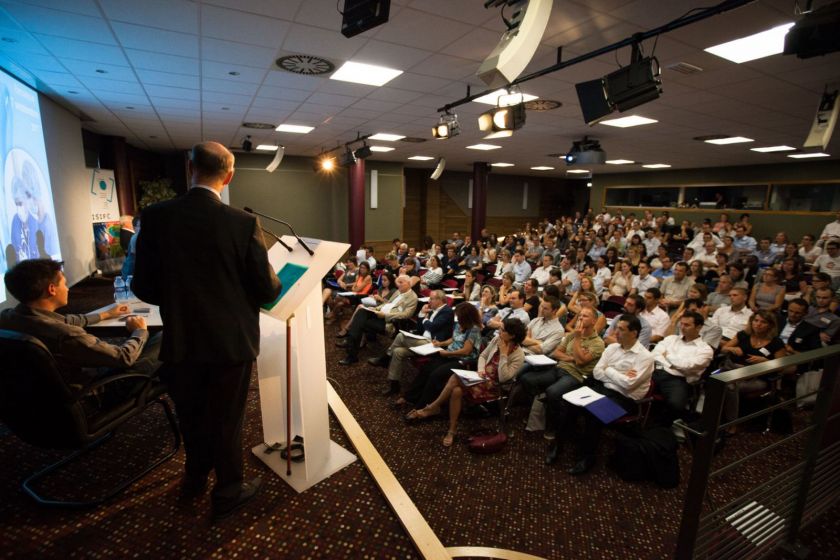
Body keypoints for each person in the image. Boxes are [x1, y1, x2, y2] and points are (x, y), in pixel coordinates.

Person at [131, 141, 282, 519]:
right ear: (228, 175)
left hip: (182, 339)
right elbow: (266, 289)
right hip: (231, 343)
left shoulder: (155, 216)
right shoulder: (243, 223)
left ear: (189, 167)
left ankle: (195, 476)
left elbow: (144, 287)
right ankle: (229, 490)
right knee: (227, 420)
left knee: (192, 414)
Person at [0, 259, 156, 397]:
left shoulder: (6, 317)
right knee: (164, 339)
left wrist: (105, 314)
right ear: (52, 289)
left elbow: (66, 320)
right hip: (90, 394)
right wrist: (139, 331)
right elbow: (123, 357)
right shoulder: (67, 335)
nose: (68, 289)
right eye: (64, 284)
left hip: (33, 396)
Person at [405, 318, 526, 447]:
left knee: (455, 379)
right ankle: (450, 429)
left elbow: (503, 378)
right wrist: (480, 370)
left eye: (502, 330)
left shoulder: (519, 355)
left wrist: (503, 354)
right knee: (456, 389)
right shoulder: (497, 340)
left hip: (495, 387)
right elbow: (483, 356)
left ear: (512, 335)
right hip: (481, 378)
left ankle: (432, 408)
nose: (498, 331)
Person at [564, 314, 654, 475]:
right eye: (615, 328)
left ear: (634, 333)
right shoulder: (612, 348)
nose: (615, 333)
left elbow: (628, 385)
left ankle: (587, 457)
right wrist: (618, 375)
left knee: (594, 414)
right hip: (605, 388)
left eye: (620, 329)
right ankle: (568, 441)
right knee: (569, 400)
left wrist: (609, 370)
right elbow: (597, 372)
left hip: (626, 399)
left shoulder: (645, 357)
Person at [367, 290, 453, 395]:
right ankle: (394, 385)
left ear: (440, 300)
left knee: (400, 336)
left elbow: (433, 326)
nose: (429, 301)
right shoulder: (431, 310)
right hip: (423, 341)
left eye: (431, 299)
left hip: (434, 344)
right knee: (398, 351)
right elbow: (420, 328)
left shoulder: (447, 311)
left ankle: (385, 358)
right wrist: (422, 314)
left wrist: (425, 320)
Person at [719, 310, 786, 425]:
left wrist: (766, 361)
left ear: (770, 325)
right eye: (756, 320)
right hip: (732, 370)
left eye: (763, 322)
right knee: (716, 382)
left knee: (730, 387)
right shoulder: (743, 335)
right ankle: (716, 417)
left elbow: (781, 368)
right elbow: (723, 348)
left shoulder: (776, 343)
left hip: (757, 377)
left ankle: (731, 422)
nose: (758, 324)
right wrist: (732, 349)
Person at [337, 274, 418, 365]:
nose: (398, 284)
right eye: (397, 282)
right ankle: (351, 347)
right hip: (378, 313)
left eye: (401, 282)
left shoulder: (413, 297)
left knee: (359, 323)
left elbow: (406, 315)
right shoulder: (398, 292)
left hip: (388, 321)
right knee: (361, 312)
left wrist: (385, 315)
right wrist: (375, 309)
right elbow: (387, 304)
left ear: (409, 283)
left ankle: (351, 351)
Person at [650, 311, 714, 425]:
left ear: (699, 327)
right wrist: (672, 364)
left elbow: (687, 366)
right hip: (657, 371)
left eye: (687, 325)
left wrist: (667, 356)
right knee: (633, 387)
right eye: (682, 324)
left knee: (676, 405)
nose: (682, 327)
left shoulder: (705, 349)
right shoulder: (671, 339)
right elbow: (655, 354)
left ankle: (659, 428)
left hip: (679, 380)